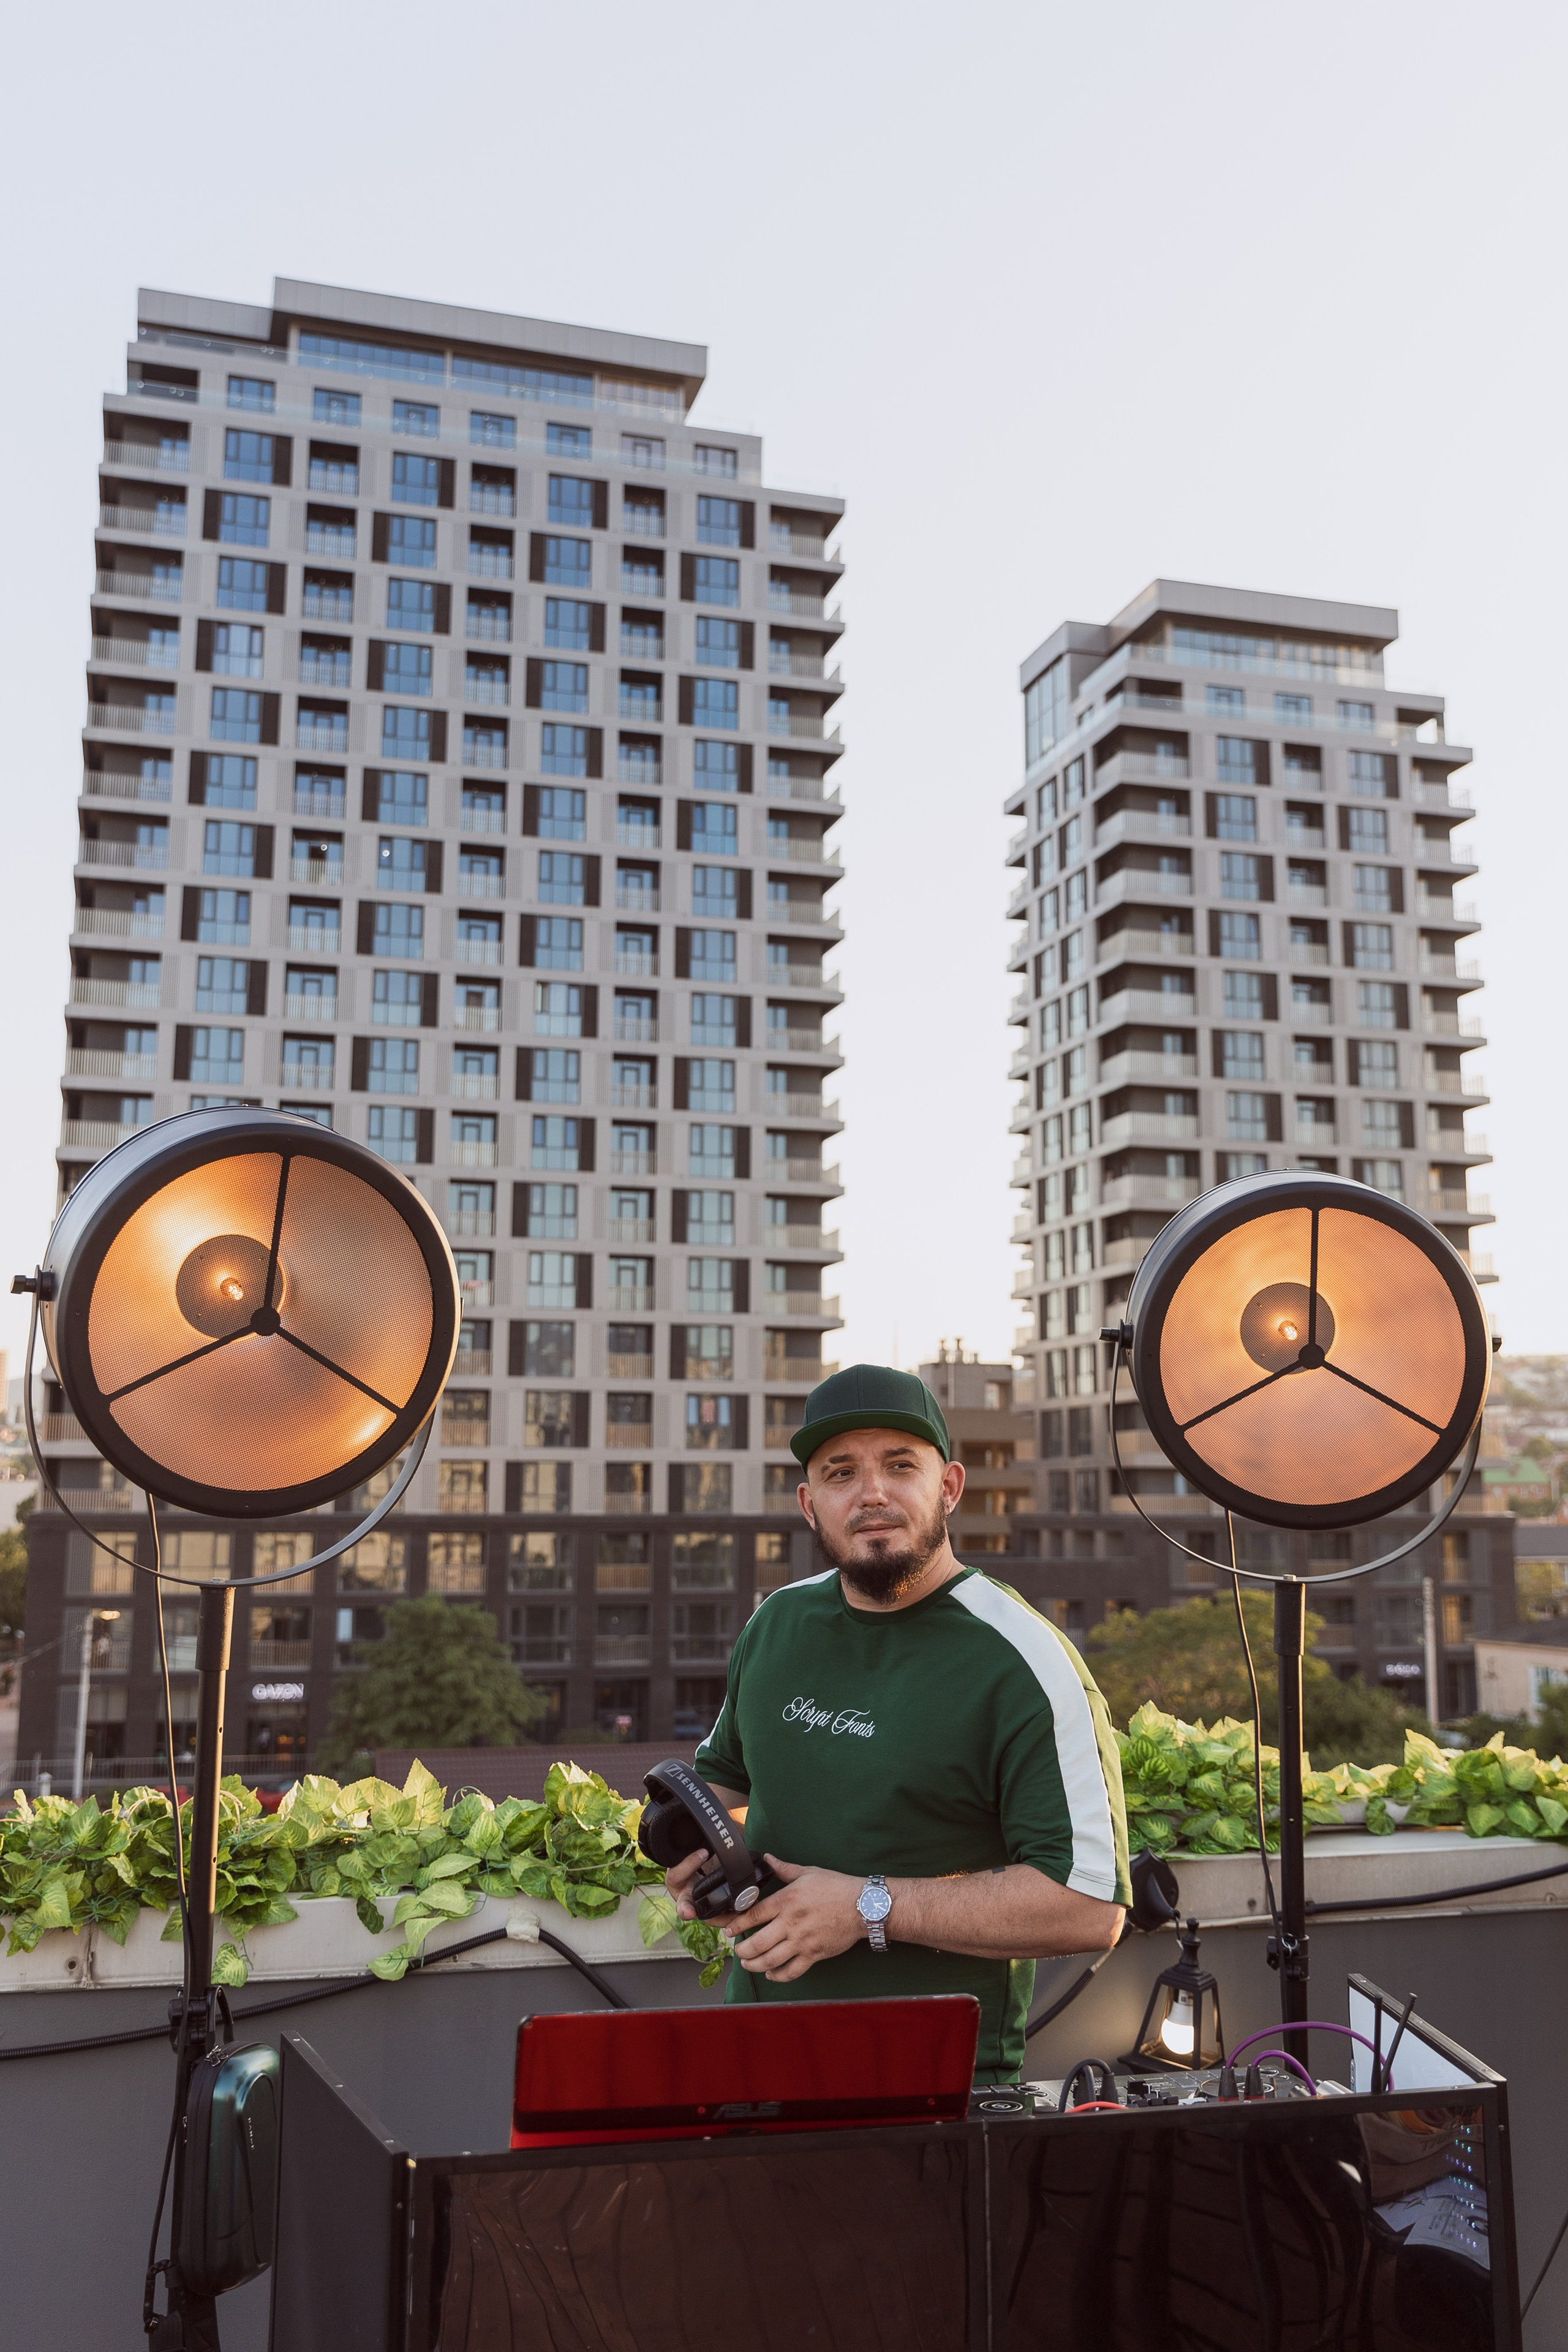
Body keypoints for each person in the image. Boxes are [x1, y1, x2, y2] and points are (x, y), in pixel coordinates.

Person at [667, 1363, 1131, 2084]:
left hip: (931, 2082)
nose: (871, 1493)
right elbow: (725, 1784)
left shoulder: (1023, 1660)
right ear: (809, 1503)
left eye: (899, 1465)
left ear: (948, 1486)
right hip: (754, 2056)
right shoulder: (776, 1624)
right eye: (840, 1472)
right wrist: (697, 1857)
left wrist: (865, 1906)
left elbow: (1085, 1907)